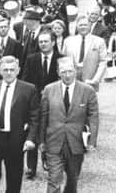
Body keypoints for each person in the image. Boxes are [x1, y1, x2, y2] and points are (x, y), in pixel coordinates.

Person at [0, 55, 40, 193]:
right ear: (0, 71)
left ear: (18, 70)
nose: (9, 73)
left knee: (14, 178)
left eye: (12, 69)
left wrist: (30, 139)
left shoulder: (28, 89)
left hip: (15, 140)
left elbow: (35, 117)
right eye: (5, 70)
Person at [39, 57, 99, 193]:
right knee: (53, 180)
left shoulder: (87, 91)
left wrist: (92, 141)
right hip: (54, 142)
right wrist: (41, 141)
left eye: (70, 71)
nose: (67, 75)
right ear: (58, 72)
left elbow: (93, 116)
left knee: (72, 179)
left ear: (76, 71)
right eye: (63, 72)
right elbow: (43, 117)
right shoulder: (49, 90)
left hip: (76, 143)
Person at [22, 30, 61, 179]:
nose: (43, 44)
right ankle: (31, 167)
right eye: (40, 42)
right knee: (33, 131)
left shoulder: (60, 59)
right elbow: (25, 80)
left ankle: (51, 163)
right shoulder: (32, 59)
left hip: (54, 102)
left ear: (53, 42)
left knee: (52, 133)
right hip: (35, 102)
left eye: (46, 41)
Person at [62, 16, 107, 91]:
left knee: (88, 102)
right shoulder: (68, 41)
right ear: (77, 26)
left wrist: (96, 80)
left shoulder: (99, 41)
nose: (83, 27)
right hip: (71, 79)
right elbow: (63, 61)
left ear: (90, 26)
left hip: (90, 80)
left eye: (85, 25)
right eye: (80, 25)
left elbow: (103, 62)